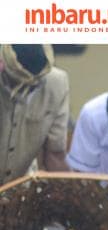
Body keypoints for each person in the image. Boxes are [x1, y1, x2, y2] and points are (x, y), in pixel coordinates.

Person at [0, 44, 69, 185]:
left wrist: (71, 191)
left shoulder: (56, 84)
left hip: (19, 189)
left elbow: (55, 156)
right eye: (16, 83)